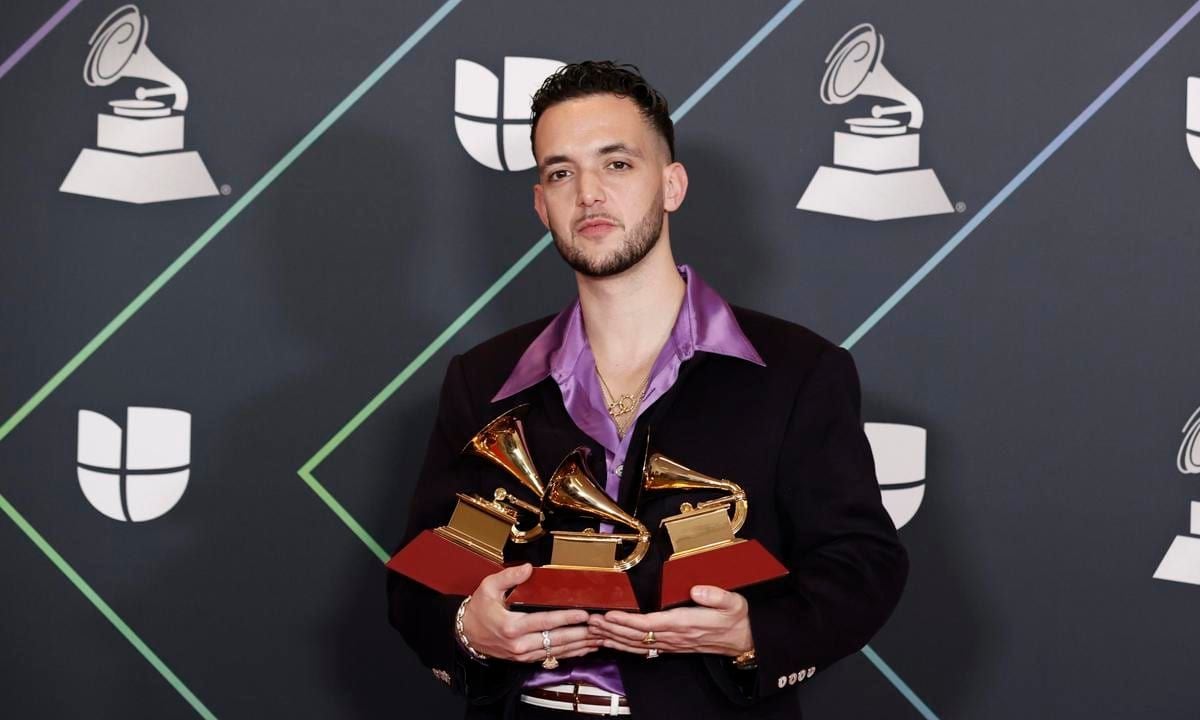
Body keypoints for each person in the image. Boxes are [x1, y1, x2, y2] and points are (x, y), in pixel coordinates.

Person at [387, 61, 908, 719]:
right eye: (561, 172)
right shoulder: (481, 378)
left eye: (617, 164)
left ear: (672, 185)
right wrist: (468, 628)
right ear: (541, 203)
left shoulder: (801, 372)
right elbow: (418, 581)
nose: (588, 194)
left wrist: (753, 635)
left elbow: (862, 565)